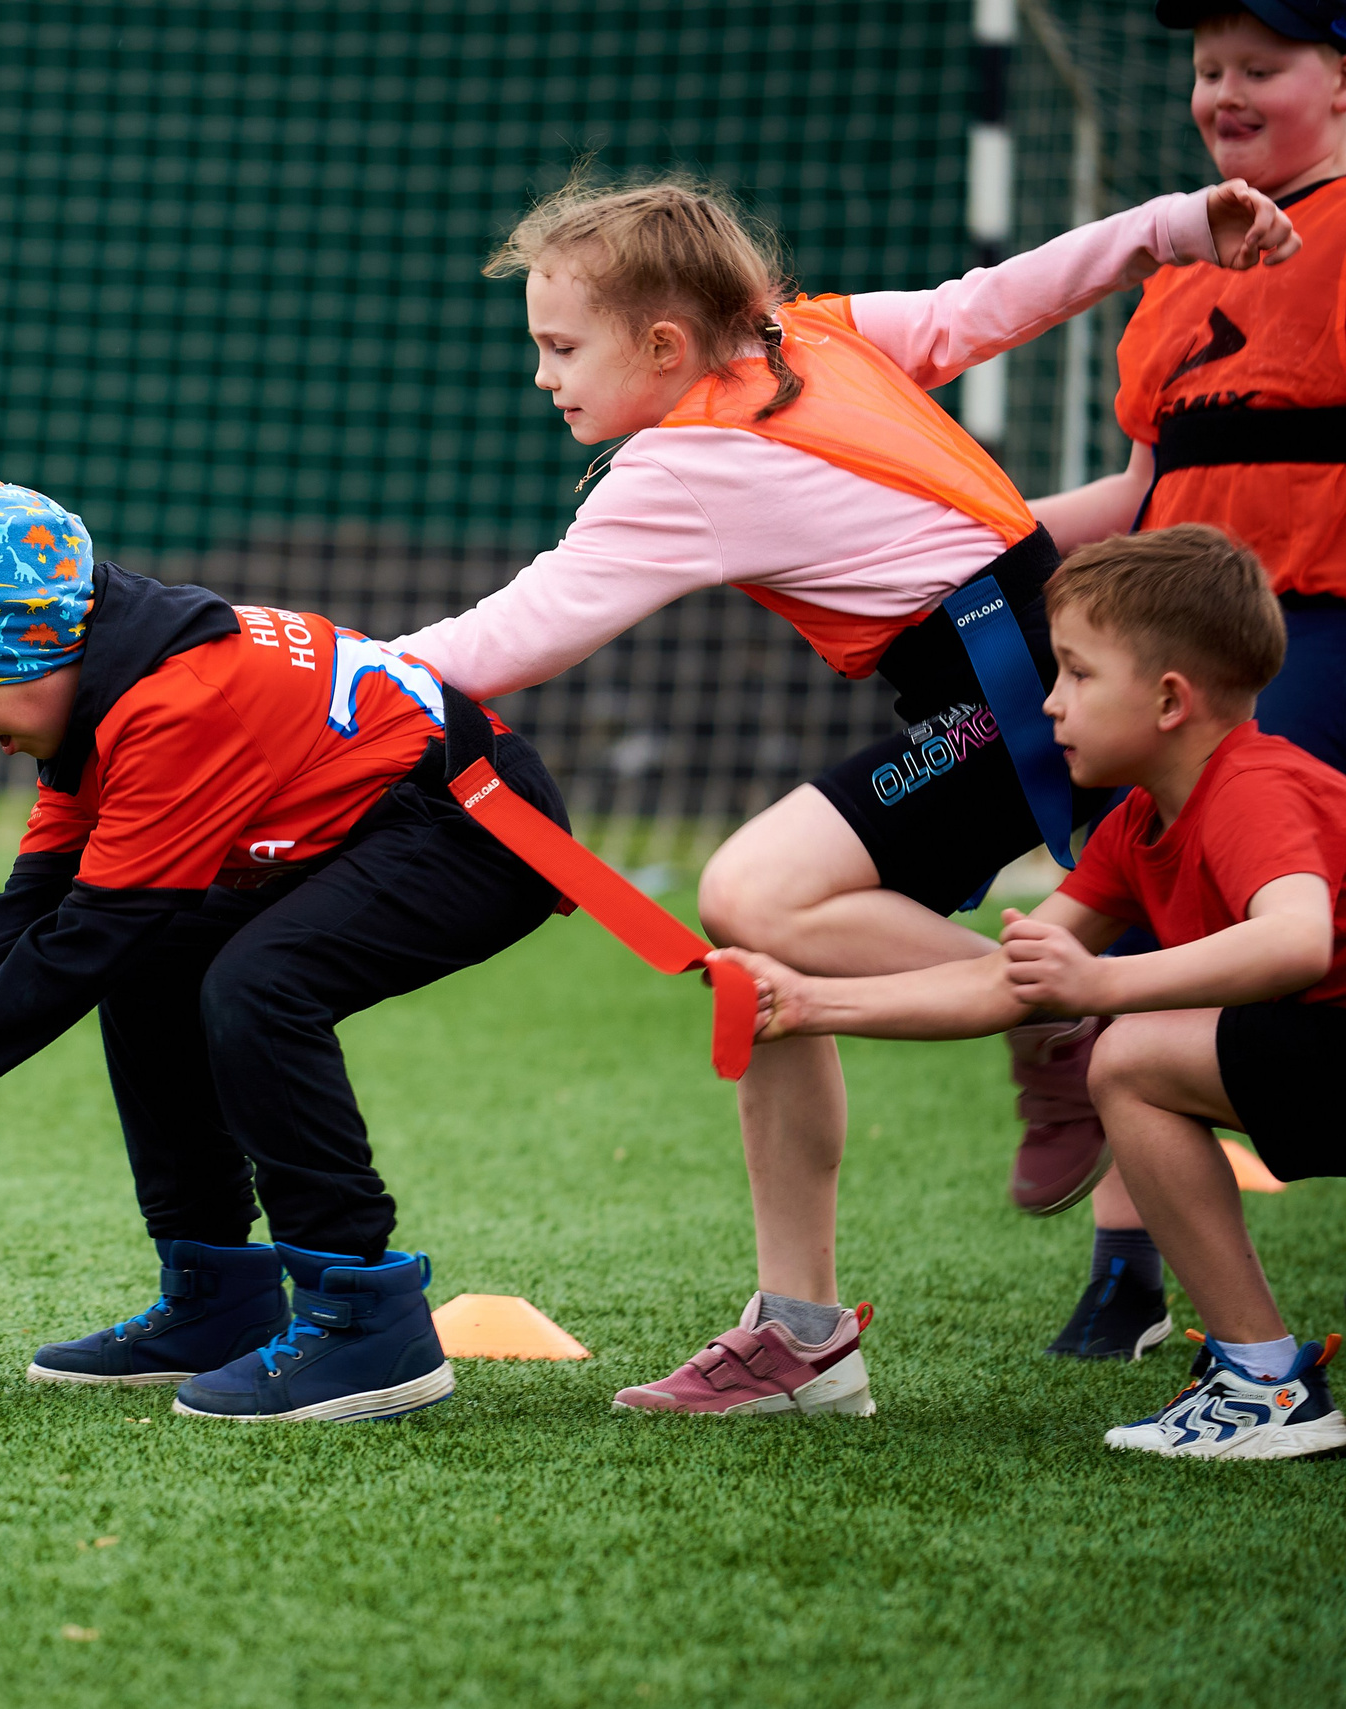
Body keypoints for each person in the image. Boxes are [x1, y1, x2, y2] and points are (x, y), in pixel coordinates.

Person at [388, 174, 1297, 1416]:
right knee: (756, 955)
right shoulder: (807, 334)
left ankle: (1059, 1016)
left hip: (1017, 693)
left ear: (664, 346)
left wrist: (329, 672)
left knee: (750, 890)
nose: (543, 376)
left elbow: (512, 636)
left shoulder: (683, 460)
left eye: (560, 346)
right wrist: (1170, 224)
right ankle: (800, 1333)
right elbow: (996, 299)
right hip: (1018, 668)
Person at [0, 480, 571, 1423]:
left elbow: (92, 934)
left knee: (260, 984)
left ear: (35, 652)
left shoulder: (177, 701)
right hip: (387, 821)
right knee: (155, 965)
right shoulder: (104, 693)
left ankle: (366, 1319)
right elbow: (33, 904)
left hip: (476, 825)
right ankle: (218, 1298)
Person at [710, 526, 1346, 1460]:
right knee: (1132, 1061)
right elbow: (1003, 983)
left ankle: (1264, 1381)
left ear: (1170, 699)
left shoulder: (1253, 786)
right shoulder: (1138, 824)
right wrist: (809, 1003)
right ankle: (1263, 1380)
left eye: (1077, 674)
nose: (1049, 701)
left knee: (1130, 1057)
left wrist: (1102, 982)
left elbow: (1295, 939)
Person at [1010, 0, 1346, 1364]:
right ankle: (1129, 1270)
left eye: (1262, 66)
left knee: (1257, 941)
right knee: (1137, 931)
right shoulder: (1183, 263)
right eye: (1209, 70)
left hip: (1317, 628)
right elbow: (1146, 493)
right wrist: (968, 545)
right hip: (1177, 658)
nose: (1224, 92)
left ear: (1341, 80)